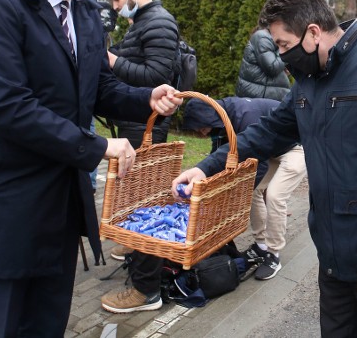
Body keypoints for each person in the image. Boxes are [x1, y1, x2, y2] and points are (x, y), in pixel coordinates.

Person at [0, 0, 181, 336]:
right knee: (1, 325)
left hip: (59, 205)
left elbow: (98, 89)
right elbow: (9, 107)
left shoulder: (85, 14)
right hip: (7, 201)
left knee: (47, 322)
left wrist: (147, 97)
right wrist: (97, 147)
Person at [171, 0, 357, 336]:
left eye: (283, 45)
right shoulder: (308, 81)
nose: (280, 57)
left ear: (312, 32)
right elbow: (266, 133)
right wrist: (206, 167)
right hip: (333, 255)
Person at [102, 96, 307, 313]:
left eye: (201, 127)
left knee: (274, 195)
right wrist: (205, 176)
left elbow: (257, 166)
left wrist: (226, 193)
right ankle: (260, 245)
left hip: (294, 147)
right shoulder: (222, 118)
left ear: (208, 119)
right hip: (270, 147)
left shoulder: (245, 117)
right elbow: (224, 155)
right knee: (255, 193)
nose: (200, 132)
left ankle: (273, 254)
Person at [103, 0, 180, 147]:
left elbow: (157, 76)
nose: (114, 7)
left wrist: (113, 61)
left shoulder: (160, 22)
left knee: (136, 175)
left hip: (146, 123)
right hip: (136, 118)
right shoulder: (142, 22)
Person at [235, 26, 291, 101]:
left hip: (267, 98)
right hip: (260, 100)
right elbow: (272, 67)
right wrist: (286, 48)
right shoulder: (262, 37)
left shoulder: (268, 38)